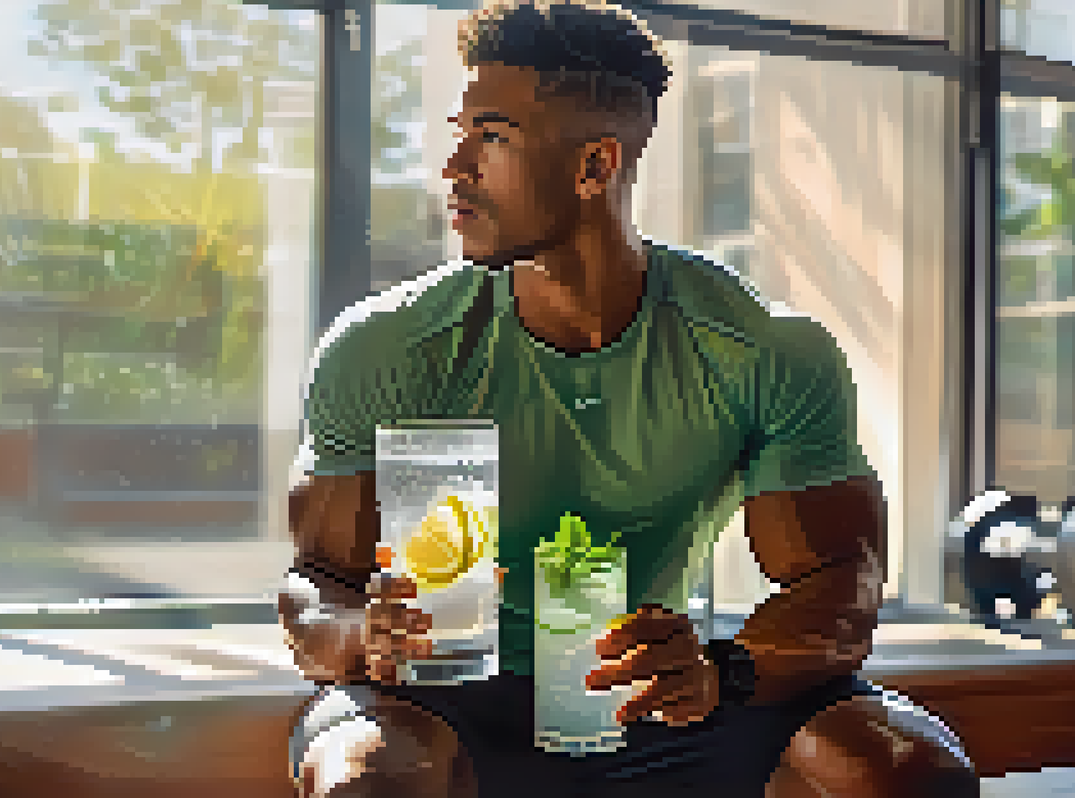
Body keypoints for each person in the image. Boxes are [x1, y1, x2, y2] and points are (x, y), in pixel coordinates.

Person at [278, 2, 979, 796]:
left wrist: (725, 672)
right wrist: (358, 636)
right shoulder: (386, 348)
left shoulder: (762, 350)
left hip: (653, 694)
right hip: (449, 705)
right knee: (365, 779)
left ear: (595, 168)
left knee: (912, 772)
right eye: (460, 131)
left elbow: (841, 583)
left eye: (493, 137)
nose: (455, 166)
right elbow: (312, 584)